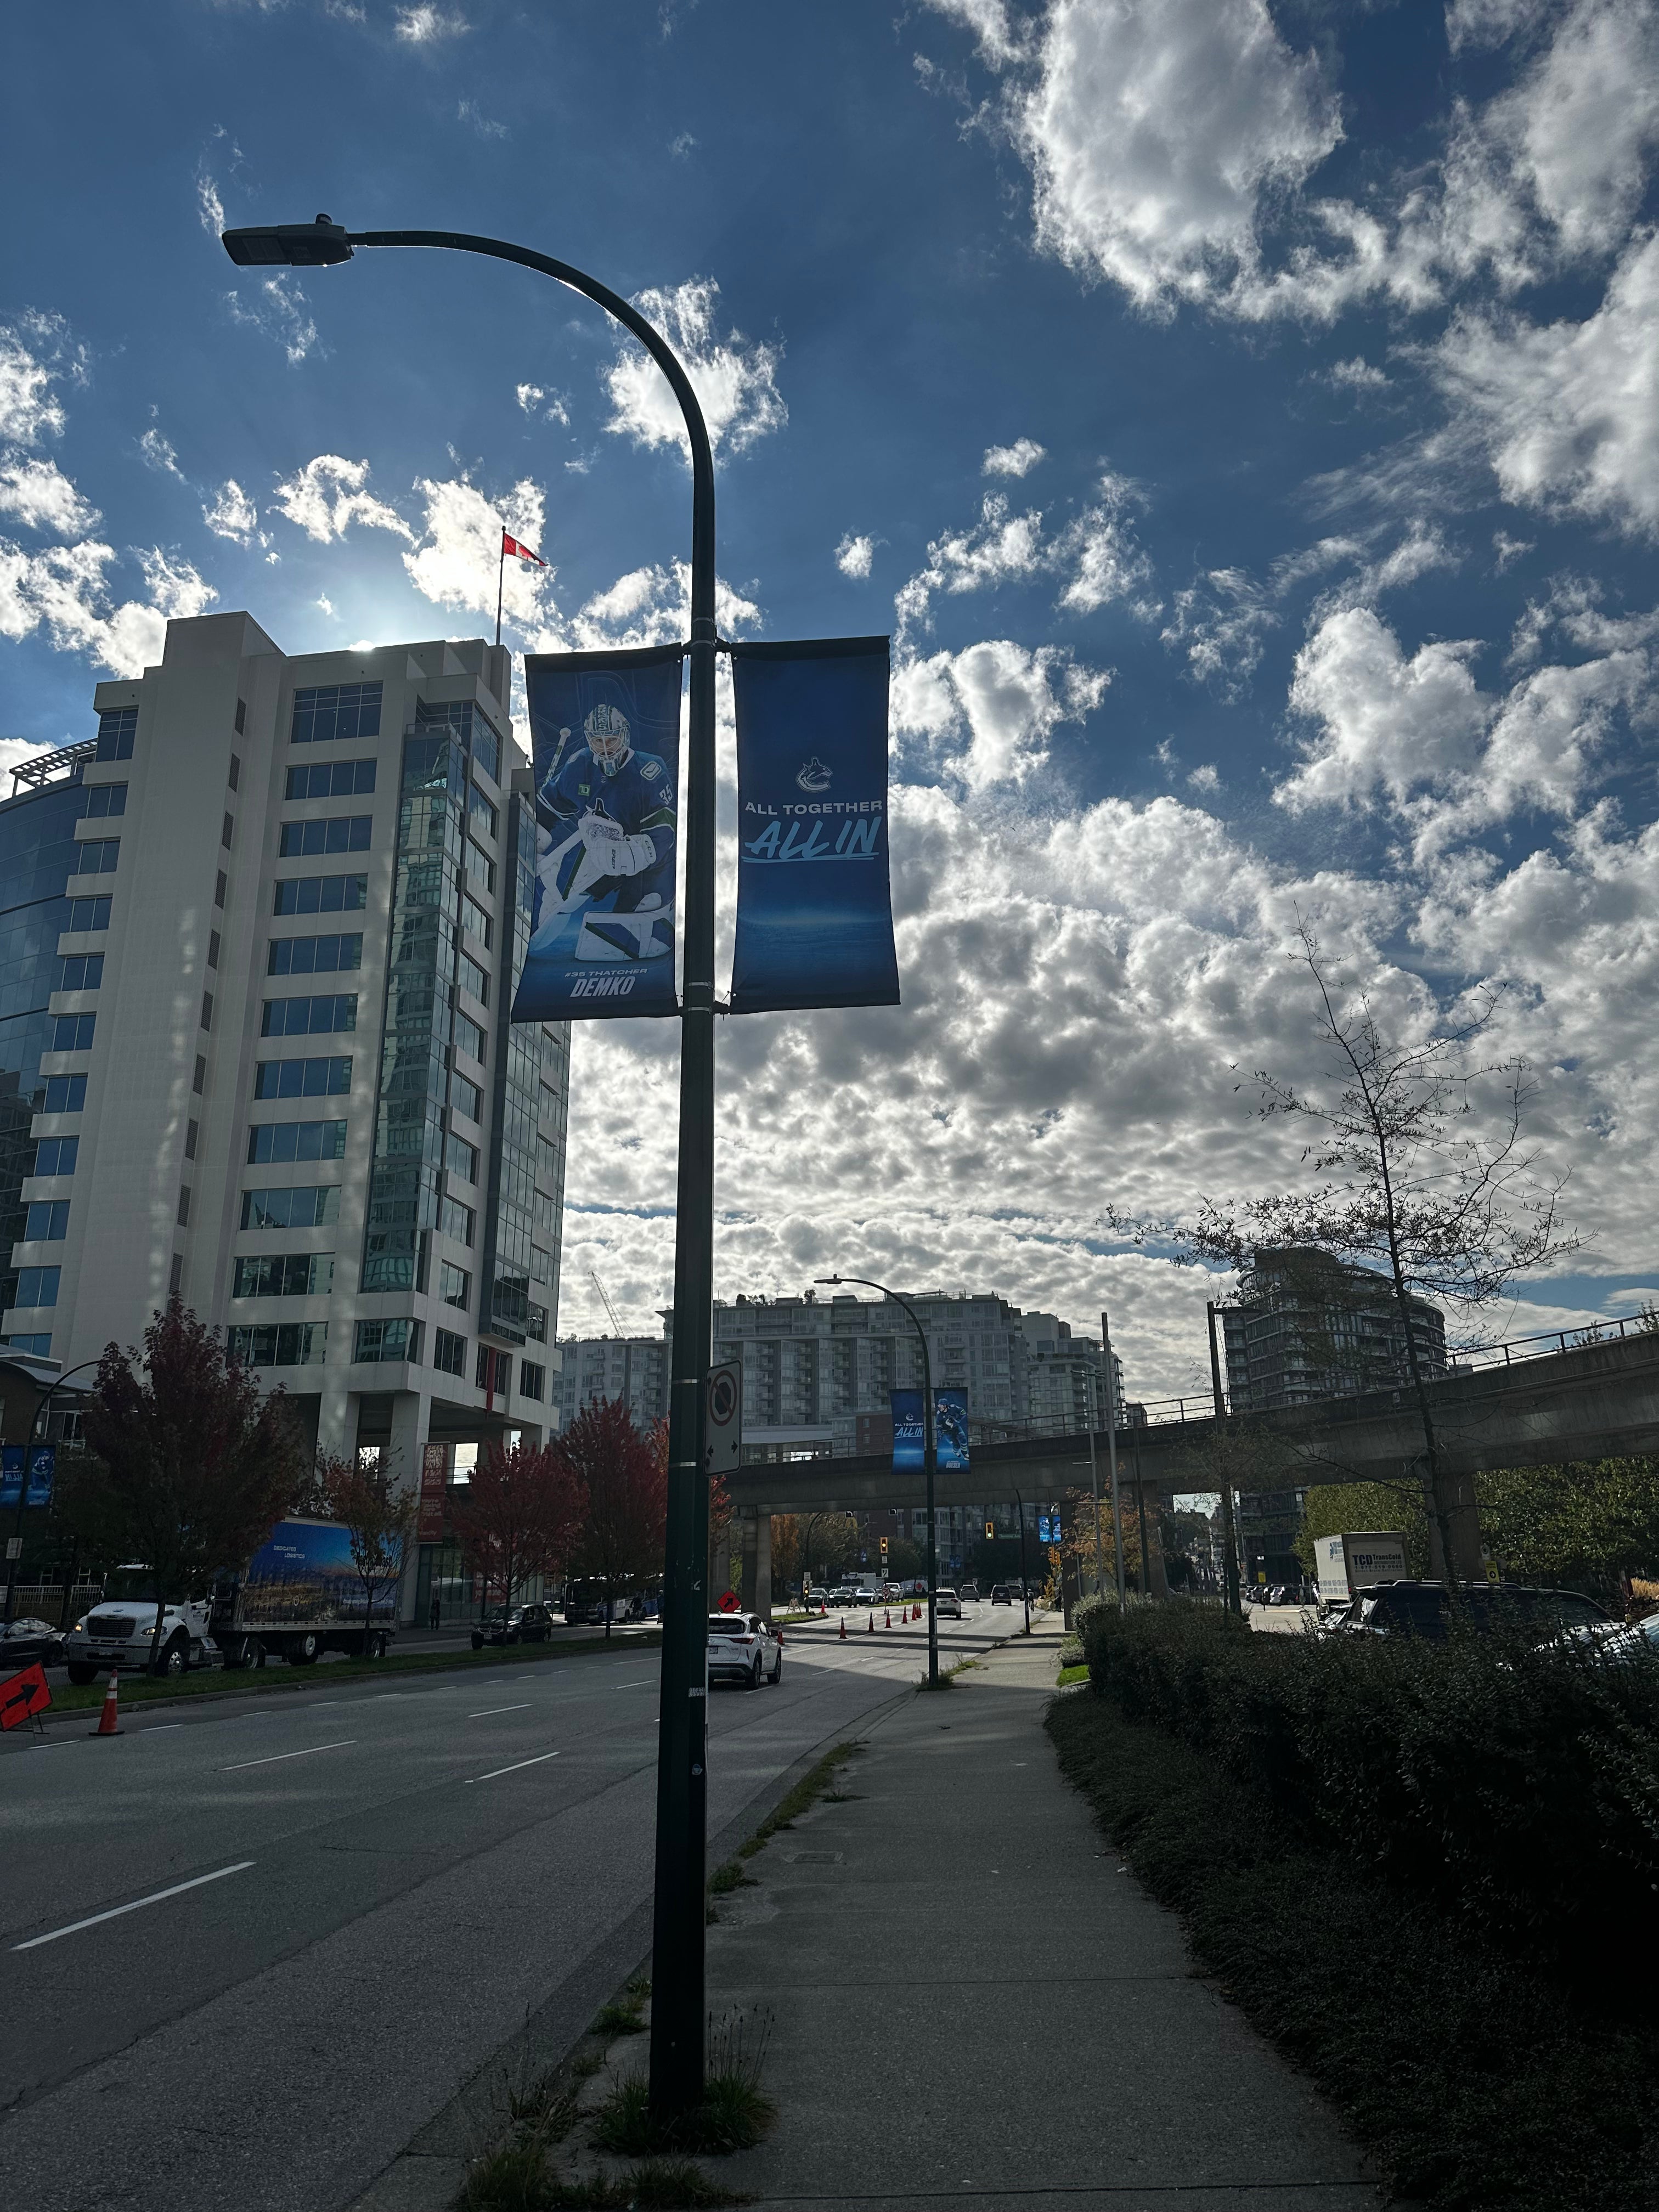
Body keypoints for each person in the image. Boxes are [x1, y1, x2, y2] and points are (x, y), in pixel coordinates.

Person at [532, 699, 676, 961]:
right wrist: (532, 840)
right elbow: (547, 809)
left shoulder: (649, 770)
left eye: (611, 739)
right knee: (555, 899)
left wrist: (640, 851)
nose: (606, 747)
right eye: (599, 741)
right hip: (597, 849)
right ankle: (559, 896)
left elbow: (665, 828)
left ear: (625, 735)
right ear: (590, 740)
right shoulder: (580, 765)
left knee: (639, 923)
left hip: (646, 861)